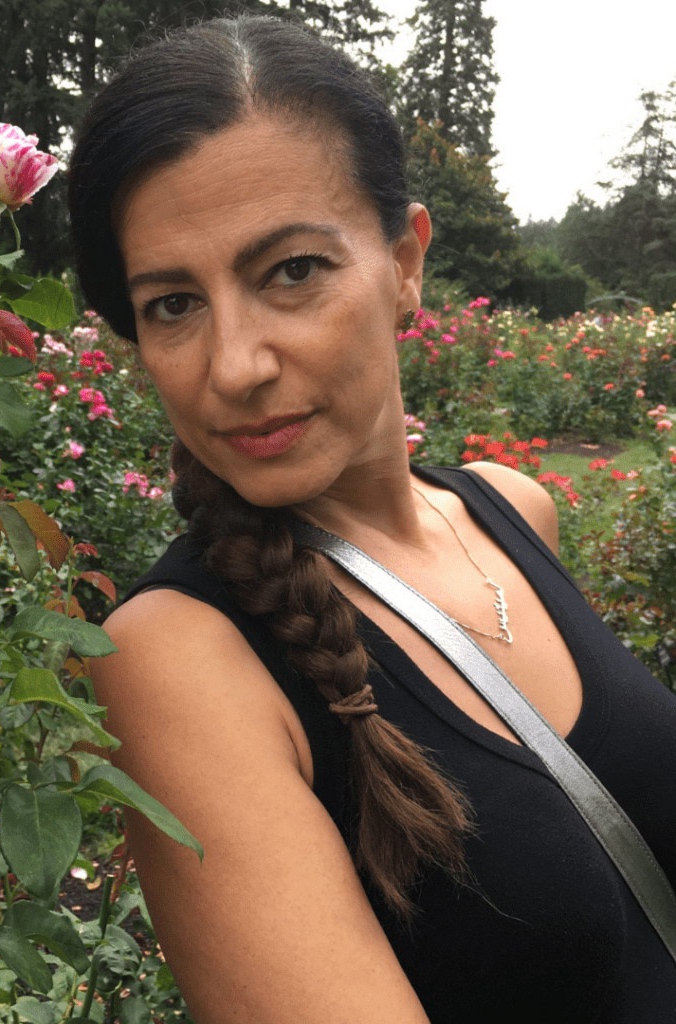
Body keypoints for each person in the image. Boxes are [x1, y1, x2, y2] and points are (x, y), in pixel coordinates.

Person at [67, 15, 676, 1023]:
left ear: (404, 261)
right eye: (173, 303)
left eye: (291, 271)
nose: (236, 366)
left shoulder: (510, 508)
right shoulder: (178, 658)